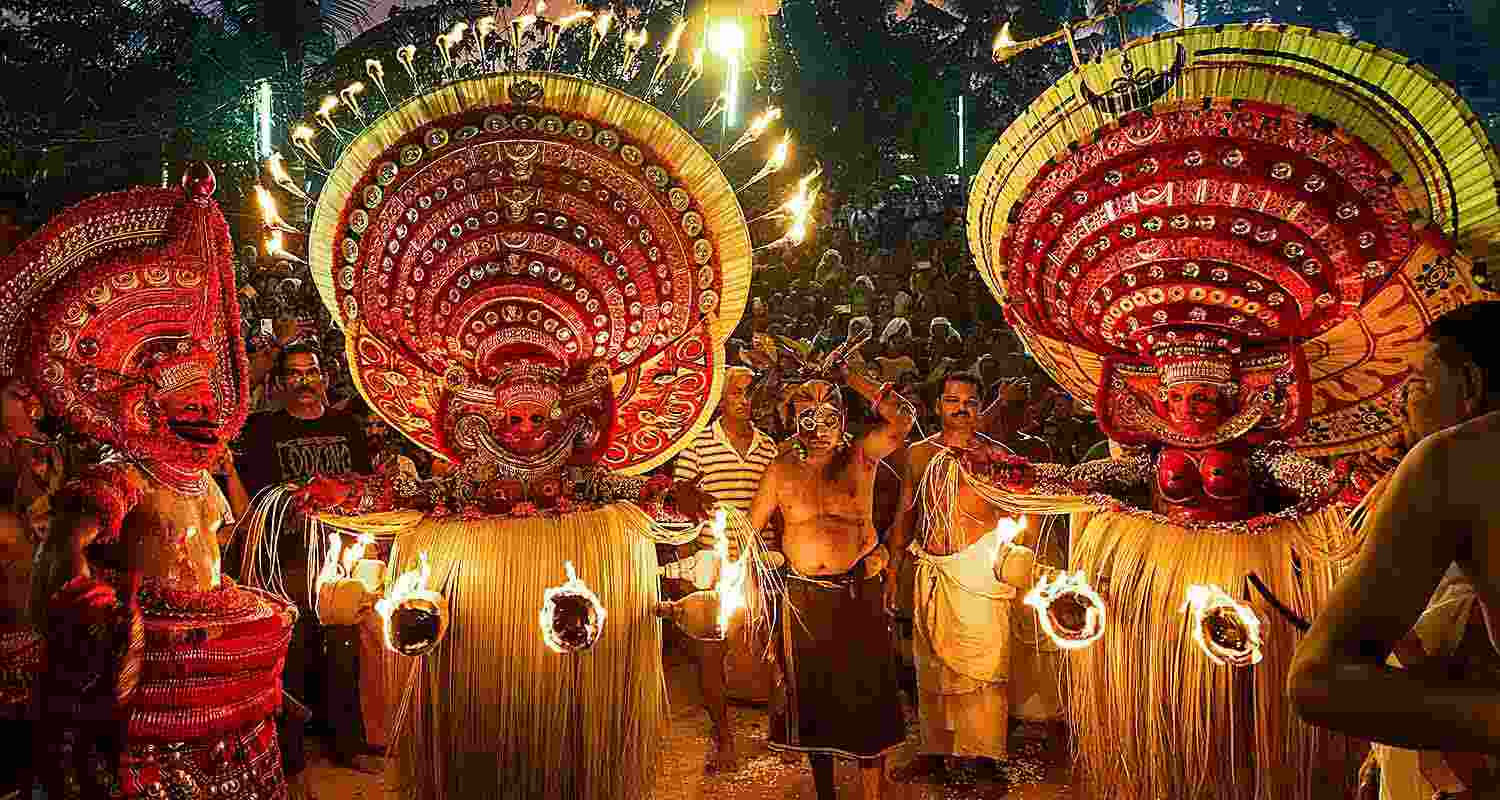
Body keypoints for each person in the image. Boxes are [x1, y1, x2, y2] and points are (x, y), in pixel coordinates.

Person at [7, 165, 295, 799]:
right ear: (150, 411)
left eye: (208, 408)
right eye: (189, 411)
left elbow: (225, 533)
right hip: (151, 657)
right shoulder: (124, 475)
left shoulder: (199, 478)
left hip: (209, 646)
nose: (205, 419)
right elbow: (67, 544)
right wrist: (89, 603)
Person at [1290, 302, 1500, 793]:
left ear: (1468, 385)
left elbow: (1319, 683)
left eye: (1416, 384)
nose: (1403, 404)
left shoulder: (1454, 463)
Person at [747, 365, 915, 800]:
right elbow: (750, 529)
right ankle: (826, 795)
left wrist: (852, 377)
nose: (819, 429)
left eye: (829, 418)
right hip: (803, 598)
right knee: (815, 704)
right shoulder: (780, 469)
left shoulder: (861, 455)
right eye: (808, 417)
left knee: (868, 703)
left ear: (842, 419)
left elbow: (904, 420)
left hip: (858, 593)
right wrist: (757, 562)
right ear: (792, 419)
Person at [884, 373, 1037, 781]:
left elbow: (1024, 514)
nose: (961, 408)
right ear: (938, 407)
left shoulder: (997, 457)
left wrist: (1018, 560)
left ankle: (985, 760)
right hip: (932, 569)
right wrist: (893, 571)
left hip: (980, 575)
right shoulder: (918, 454)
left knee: (983, 670)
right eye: (952, 401)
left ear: (981, 405)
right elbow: (905, 516)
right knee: (930, 666)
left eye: (970, 401)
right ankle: (935, 750)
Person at [235, 340, 376, 779]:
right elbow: (255, 500)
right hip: (288, 558)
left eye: (310, 372)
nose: (304, 382)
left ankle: (346, 743)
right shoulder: (263, 431)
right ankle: (290, 754)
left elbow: (364, 483)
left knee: (343, 646)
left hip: (342, 556)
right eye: (293, 374)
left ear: (324, 377)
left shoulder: (348, 426)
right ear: (278, 383)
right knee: (291, 649)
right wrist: (295, 501)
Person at [670, 366, 780, 771]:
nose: (745, 400)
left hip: (760, 563)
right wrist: (689, 493)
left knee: (771, 650)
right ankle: (723, 739)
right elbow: (679, 494)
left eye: (751, 392)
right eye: (737, 393)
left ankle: (779, 730)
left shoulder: (770, 448)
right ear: (719, 398)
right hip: (714, 565)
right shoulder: (698, 443)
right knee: (711, 652)